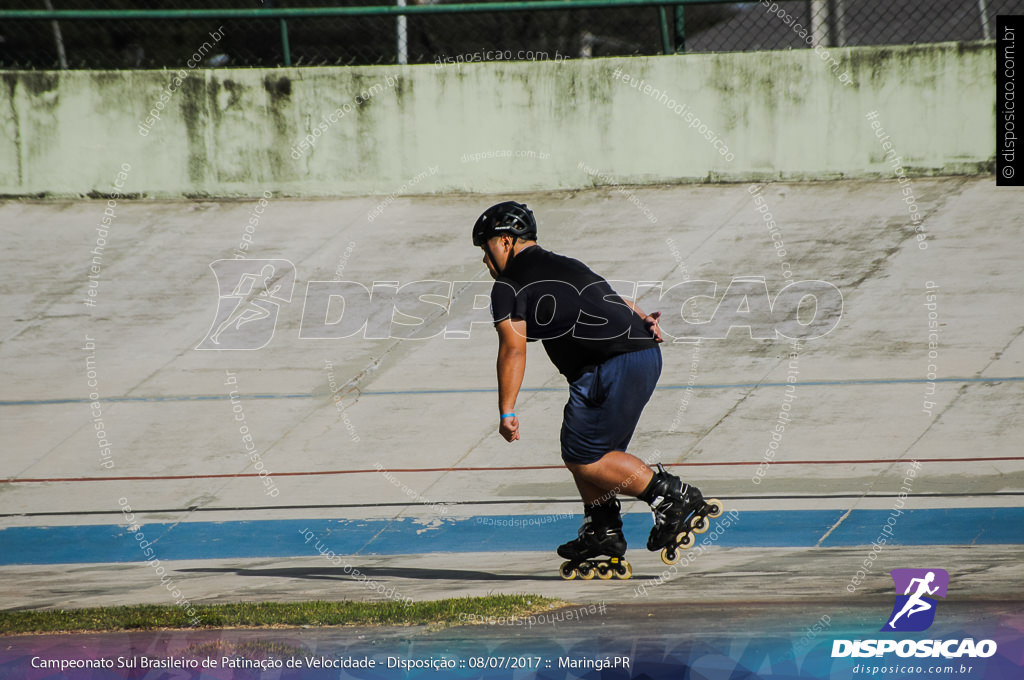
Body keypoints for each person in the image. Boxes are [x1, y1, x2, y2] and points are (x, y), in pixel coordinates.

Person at [472, 200, 719, 579]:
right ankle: (603, 530)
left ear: (505, 241)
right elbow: (607, 296)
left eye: (485, 250)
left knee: (587, 458)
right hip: (638, 353)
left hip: (609, 364)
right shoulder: (563, 263)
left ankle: (672, 499)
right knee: (584, 450)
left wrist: (507, 411)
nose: (485, 262)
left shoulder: (509, 285)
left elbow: (513, 348)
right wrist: (639, 316)